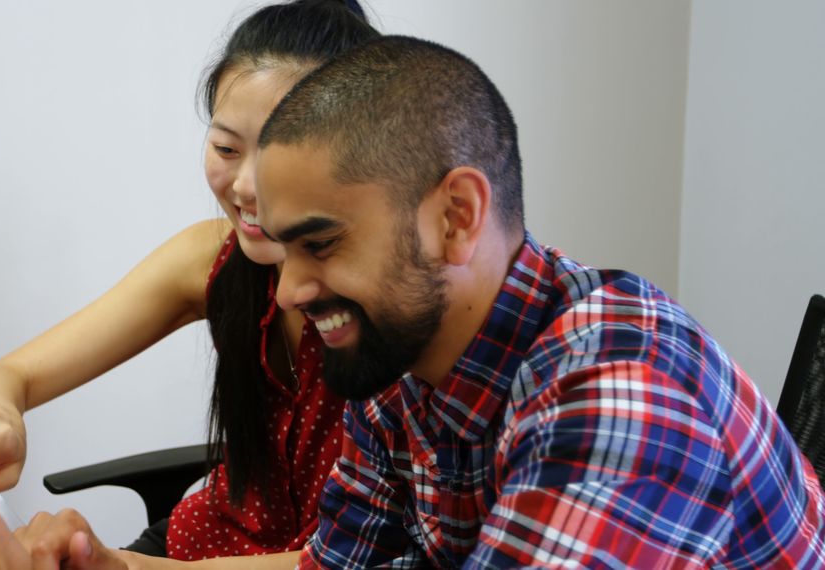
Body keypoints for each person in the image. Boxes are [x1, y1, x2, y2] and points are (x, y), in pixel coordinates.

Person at [0, 1, 378, 568]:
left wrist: (119, 565)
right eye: (224, 148)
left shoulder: (396, 306)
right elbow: (3, 376)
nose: (245, 186)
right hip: (198, 544)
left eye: (276, 155)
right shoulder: (211, 258)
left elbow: (350, 559)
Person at [250, 36, 825, 567]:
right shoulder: (395, 355)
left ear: (456, 218)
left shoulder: (616, 394)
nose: (289, 291)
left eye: (320, 244)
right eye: (285, 252)